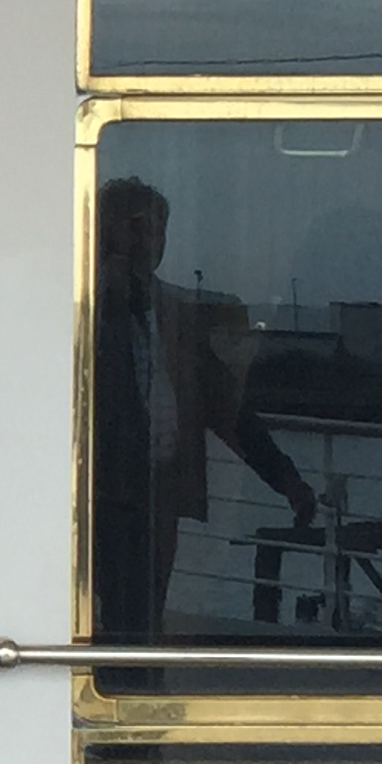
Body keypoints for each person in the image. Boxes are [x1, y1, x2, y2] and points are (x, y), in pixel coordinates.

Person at [90, 175, 317, 641]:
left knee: (144, 622)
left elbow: (225, 407)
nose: (147, 241)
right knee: (98, 620)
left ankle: (137, 681)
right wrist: (106, 294)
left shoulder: (174, 312)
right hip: (95, 497)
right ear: (103, 232)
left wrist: (285, 479)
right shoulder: (78, 310)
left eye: (157, 229)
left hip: (158, 497)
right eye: (134, 227)